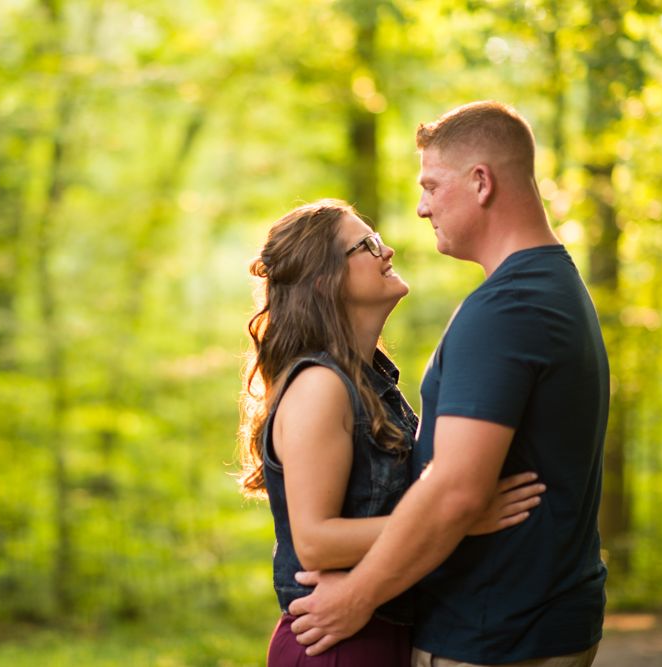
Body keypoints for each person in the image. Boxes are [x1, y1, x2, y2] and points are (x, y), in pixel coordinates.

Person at [287, 101, 609, 667]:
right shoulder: (550, 286)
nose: (420, 207)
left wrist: (357, 598)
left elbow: (456, 491)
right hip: (525, 624)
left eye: (432, 185)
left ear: (481, 182)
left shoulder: (506, 308)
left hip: (495, 636)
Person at [238, 198, 545, 666]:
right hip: (336, 644)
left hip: (379, 631)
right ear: (326, 282)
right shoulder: (320, 386)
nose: (388, 251)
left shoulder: (371, 384)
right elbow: (315, 541)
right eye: (367, 245)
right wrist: (456, 520)